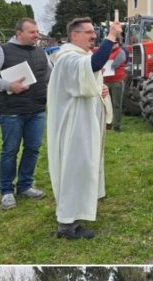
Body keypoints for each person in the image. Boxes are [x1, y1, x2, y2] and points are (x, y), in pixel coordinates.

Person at [47, 17, 121, 240]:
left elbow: (88, 80)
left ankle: (75, 214)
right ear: (74, 35)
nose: (93, 36)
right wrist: (111, 37)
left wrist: (101, 89)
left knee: (82, 168)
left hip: (82, 125)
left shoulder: (79, 57)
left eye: (94, 32)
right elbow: (95, 65)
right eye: (88, 32)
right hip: (73, 129)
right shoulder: (68, 59)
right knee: (73, 170)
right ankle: (66, 225)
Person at [0, 17, 50, 210]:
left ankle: (25, 185)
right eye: (32, 32)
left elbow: (51, 75)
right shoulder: (2, 51)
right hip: (12, 112)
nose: (36, 35)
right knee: (10, 151)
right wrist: (8, 85)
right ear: (18, 33)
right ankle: (6, 190)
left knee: (32, 149)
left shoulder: (41, 52)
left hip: (38, 110)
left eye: (37, 31)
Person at [102, 40, 127, 132]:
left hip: (117, 81)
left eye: (115, 43)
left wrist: (104, 65)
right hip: (107, 81)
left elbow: (114, 65)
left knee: (116, 104)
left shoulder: (121, 52)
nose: (113, 44)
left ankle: (116, 126)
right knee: (107, 104)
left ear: (118, 44)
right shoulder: (108, 52)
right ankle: (108, 124)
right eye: (112, 43)